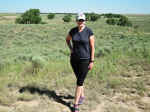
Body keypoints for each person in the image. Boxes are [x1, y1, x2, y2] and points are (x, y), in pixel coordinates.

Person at [66, 12, 95, 112]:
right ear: (76, 21)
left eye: (82, 20)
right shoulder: (73, 31)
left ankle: (75, 105)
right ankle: (82, 95)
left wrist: (92, 60)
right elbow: (67, 39)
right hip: (74, 60)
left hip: (85, 60)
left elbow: (92, 47)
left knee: (79, 82)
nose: (80, 22)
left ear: (85, 21)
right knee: (80, 80)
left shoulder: (89, 32)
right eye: (79, 20)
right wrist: (71, 49)